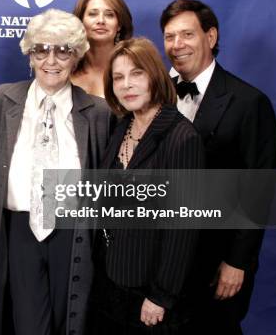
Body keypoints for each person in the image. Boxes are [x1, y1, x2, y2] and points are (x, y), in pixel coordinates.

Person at [0, 9, 113, 335]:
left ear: (76, 56)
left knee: (70, 321)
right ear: (29, 54)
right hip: (20, 228)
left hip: (73, 230)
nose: (51, 60)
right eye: (41, 49)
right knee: (29, 324)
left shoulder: (97, 112)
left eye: (63, 50)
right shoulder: (1, 100)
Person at [160, 0, 276, 334]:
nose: (177, 45)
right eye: (169, 37)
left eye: (187, 34)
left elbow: (260, 190)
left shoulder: (249, 102)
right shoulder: (154, 95)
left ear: (211, 37)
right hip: (161, 263)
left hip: (215, 261)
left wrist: (237, 261)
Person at [93, 37, 204, 334]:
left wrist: (160, 295)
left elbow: (183, 229)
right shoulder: (121, 128)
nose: (126, 84)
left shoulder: (182, 138)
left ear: (155, 75)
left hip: (150, 295)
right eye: (118, 77)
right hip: (111, 284)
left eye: (136, 74)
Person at [71, 0, 133, 97]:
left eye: (109, 15)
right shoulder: (65, 68)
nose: (101, 20)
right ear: (80, 21)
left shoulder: (134, 67)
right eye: (93, 14)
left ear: (119, 24)